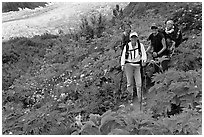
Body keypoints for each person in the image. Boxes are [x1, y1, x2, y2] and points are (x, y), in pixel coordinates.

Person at [121, 32, 147, 104]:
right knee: (129, 83)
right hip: (128, 65)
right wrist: (122, 65)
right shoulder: (127, 46)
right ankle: (130, 98)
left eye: (135, 38)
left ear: (137, 38)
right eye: (132, 38)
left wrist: (144, 61)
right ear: (130, 39)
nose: (134, 39)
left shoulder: (140, 45)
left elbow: (144, 54)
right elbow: (123, 56)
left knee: (139, 83)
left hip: (137, 65)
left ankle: (140, 99)